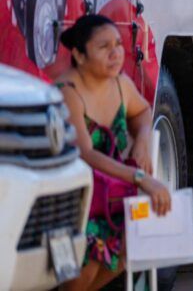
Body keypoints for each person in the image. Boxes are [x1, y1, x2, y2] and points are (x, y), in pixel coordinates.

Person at [56, 15, 172, 291]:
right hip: (78, 201)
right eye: (104, 46)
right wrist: (141, 178)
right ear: (79, 55)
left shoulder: (121, 84)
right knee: (82, 273)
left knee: (132, 249)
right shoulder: (66, 91)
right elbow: (85, 153)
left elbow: (143, 111)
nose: (116, 52)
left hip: (114, 196)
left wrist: (143, 138)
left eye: (119, 44)